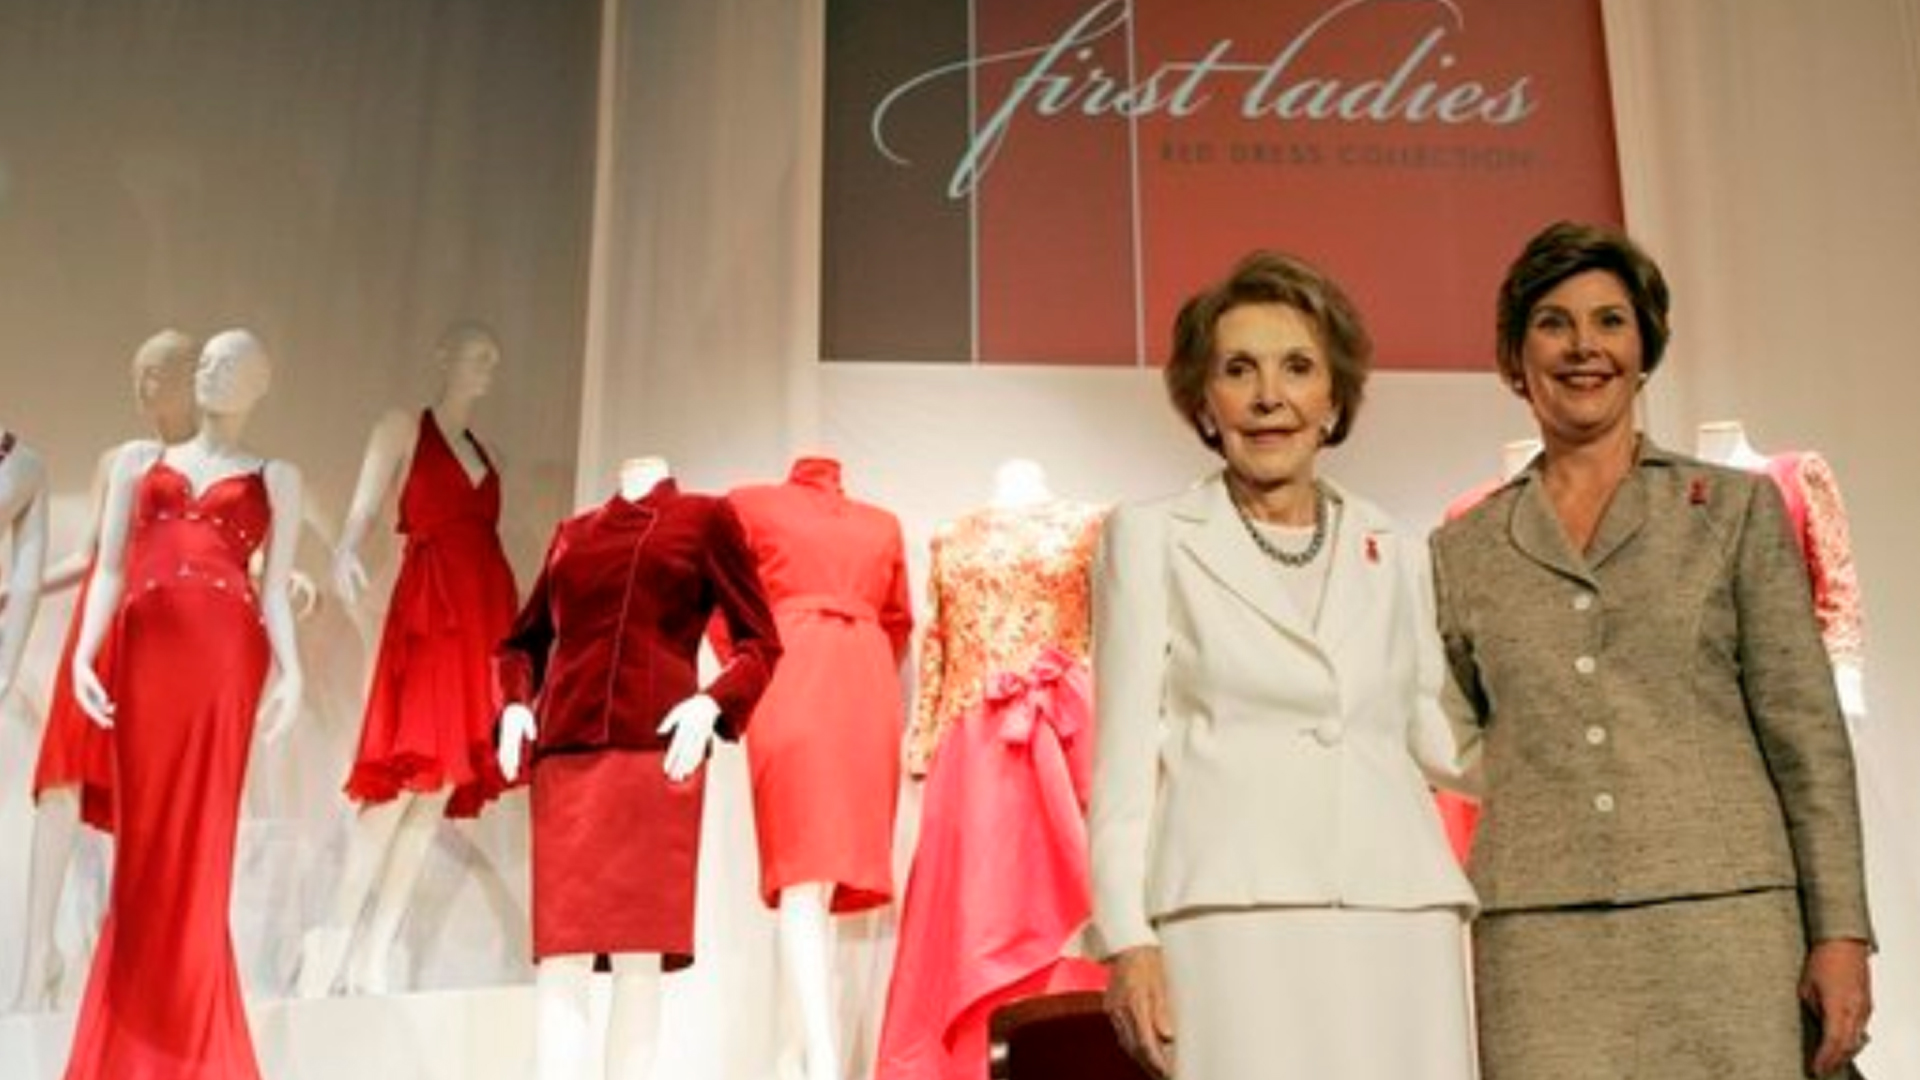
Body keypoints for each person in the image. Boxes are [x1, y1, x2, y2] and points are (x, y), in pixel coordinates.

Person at [1428, 221, 1873, 1079]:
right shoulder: (1464, 548)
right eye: (1553, 323)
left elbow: (1807, 738)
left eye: (1610, 320)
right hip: (1542, 938)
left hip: (1730, 928)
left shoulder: (1733, 512)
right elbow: (1450, 735)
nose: (1583, 346)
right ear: (1515, 357)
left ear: (1645, 348)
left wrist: (1841, 931)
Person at [1090, 251, 1477, 1080]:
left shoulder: (1397, 548)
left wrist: (1580, 749)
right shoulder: (1149, 537)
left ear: (1335, 398)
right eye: (1239, 370)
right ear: (1204, 399)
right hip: (1229, 914)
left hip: (1399, 908)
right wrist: (1126, 937)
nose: (1270, 396)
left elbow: (1432, 734)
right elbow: (1119, 760)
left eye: (1298, 367)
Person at [63, 328, 304, 1079]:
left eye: (231, 364)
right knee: (142, 848)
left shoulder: (277, 476)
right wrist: (81, 655)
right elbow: (109, 569)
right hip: (145, 658)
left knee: (204, 846)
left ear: (262, 383)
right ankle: (129, 1051)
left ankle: (192, 1050)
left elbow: (276, 590)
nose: (210, 370)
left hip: (225, 659)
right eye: (205, 360)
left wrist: (293, 672)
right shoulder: (139, 463)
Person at [494, 455, 781, 1080]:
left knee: (639, 957)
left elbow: (761, 643)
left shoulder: (704, 519)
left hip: (656, 754)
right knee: (561, 957)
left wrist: (712, 702)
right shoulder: (572, 533)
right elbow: (522, 643)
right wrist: (515, 705)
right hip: (565, 760)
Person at [299, 320, 519, 997]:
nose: (486, 367)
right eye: (476, 354)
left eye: (493, 358)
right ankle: (331, 945)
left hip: (480, 614)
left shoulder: (488, 451)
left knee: (437, 792)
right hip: (429, 609)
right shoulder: (401, 428)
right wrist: (344, 550)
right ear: (444, 356)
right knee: (401, 785)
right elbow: (364, 510)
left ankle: (374, 954)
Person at [6, 330, 199, 1013]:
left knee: (146, 801)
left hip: (161, 640)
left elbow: (229, 552)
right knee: (60, 783)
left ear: (191, 376)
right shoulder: (117, 460)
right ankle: (37, 963)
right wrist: (15, 591)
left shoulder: (213, 468)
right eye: (137, 373)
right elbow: (92, 555)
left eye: (157, 371)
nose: (144, 385)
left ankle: (129, 974)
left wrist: (282, 581)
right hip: (98, 630)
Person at [724, 454, 913, 1080]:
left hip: (864, 688)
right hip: (789, 673)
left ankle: (790, 1060)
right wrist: (746, 676)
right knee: (802, 868)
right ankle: (826, 1064)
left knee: (823, 883)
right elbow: (723, 604)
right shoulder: (748, 504)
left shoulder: (883, 523)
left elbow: (897, 619)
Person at [0, 426, 49, 701]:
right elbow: (27, 579)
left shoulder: (27, 467)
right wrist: (6, 668)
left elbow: (27, 579)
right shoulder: (28, 466)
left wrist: (6, 668)